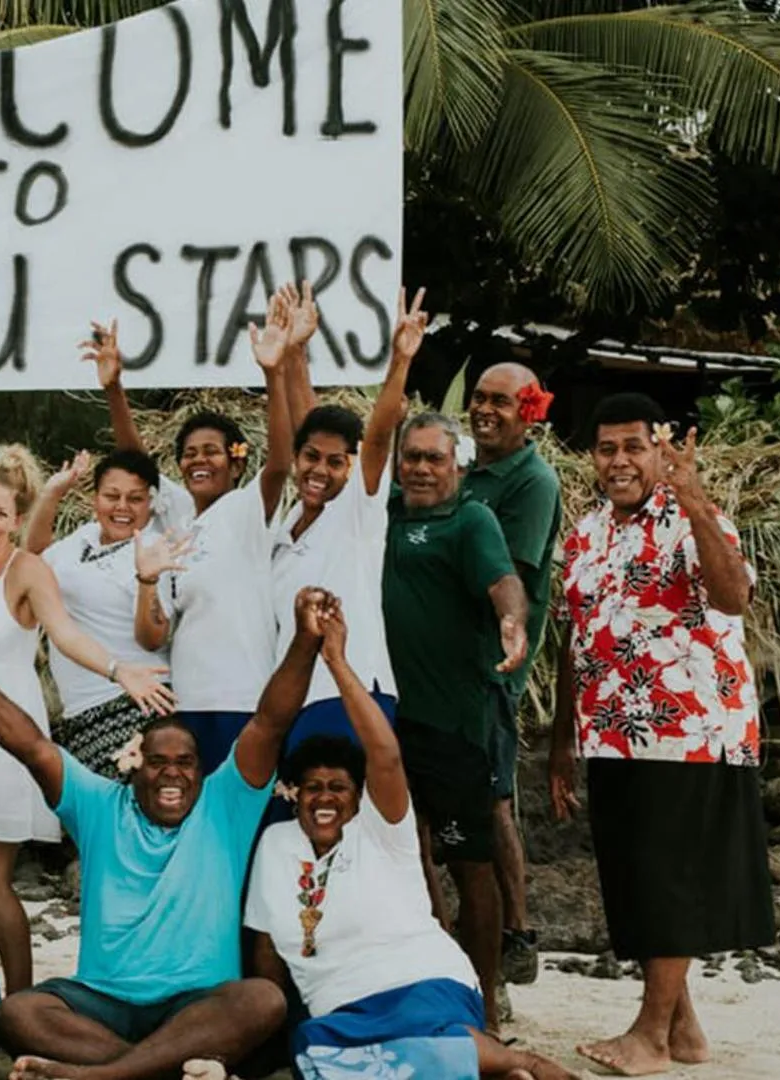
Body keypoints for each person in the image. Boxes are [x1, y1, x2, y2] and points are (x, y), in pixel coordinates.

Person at [0, 590, 340, 1080]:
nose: (172, 775)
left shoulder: (224, 802)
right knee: (19, 1012)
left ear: (202, 771)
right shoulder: (99, 803)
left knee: (262, 1000)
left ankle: (102, 1076)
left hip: (197, 1006)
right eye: (158, 761)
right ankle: (158, 1071)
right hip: (102, 1002)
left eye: (185, 763)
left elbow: (271, 721)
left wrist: (305, 641)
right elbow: (31, 746)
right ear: (137, 766)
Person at [239, 598, 573, 1080]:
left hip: (421, 983)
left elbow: (386, 756)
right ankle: (486, 1066)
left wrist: (336, 663)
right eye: (313, 788)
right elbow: (267, 950)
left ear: (359, 798)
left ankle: (519, 1061)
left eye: (338, 788)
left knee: (413, 1037)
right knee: (318, 1052)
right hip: (340, 1012)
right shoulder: (277, 844)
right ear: (296, 795)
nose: (324, 798)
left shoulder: (380, 830)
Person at [550, 394, 769, 1077]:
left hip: (692, 729)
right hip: (611, 733)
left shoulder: (693, 519)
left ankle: (649, 1035)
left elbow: (734, 597)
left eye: (634, 447)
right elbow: (575, 638)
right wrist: (563, 738)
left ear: (659, 450)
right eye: (607, 448)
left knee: (670, 879)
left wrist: (696, 499)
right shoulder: (586, 531)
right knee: (641, 879)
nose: (620, 461)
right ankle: (686, 1029)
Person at [0, 445, 174, 994]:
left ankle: (20, 1000)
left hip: (2, 733)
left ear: (17, 522)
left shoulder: (28, 570)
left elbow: (63, 633)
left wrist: (119, 670)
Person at [90, 288, 303, 772]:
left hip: (243, 700)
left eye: (211, 451)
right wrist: (114, 388)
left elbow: (280, 461)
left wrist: (275, 372)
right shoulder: (181, 520)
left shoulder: (249, 509)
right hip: (186, 703)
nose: (197, 460)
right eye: (189, 453)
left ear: (234, 460)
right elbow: (137, 464)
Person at [380, 413, 530, 1032]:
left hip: (455, 725)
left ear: (458, 466)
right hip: (386, 721)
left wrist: (512, 621)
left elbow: (504, 581)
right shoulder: (382, 511)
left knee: (472, 865)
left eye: (432, 459)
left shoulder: (472, 519)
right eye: (410, 457)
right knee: (405, 859)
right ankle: (437, 983)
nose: (419, 468)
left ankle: (487, 1008)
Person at [268, 288, 431, 753]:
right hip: (294, 698)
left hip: (351, 692)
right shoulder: (287, 521)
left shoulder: (358, 509)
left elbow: (378, 438)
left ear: (352, 466)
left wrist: (400, 361)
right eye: (311, 458)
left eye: (336, 463)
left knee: (353, 823)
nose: (320, 471)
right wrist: (297, 350)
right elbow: (309, 421)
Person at [463, 363, 565, 988]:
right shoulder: (462, 472)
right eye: (478, 398)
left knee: (493, 799)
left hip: (489, 671)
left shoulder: (533, 481)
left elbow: (510, 576)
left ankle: (516, 935)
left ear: (529, 410)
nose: (485, 410)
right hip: (445, 665)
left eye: (501, 401)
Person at [23, 449, 175, 777]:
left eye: (135, 498)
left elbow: (152, 639)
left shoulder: (151, 548)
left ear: (150, 502)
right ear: (95, 499)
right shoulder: (84, 537)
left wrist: (147, 580)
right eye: (112, 496)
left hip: (134, 704)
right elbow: (32, 558)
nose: (122, 507)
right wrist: (52, 492)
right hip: (80, 712)